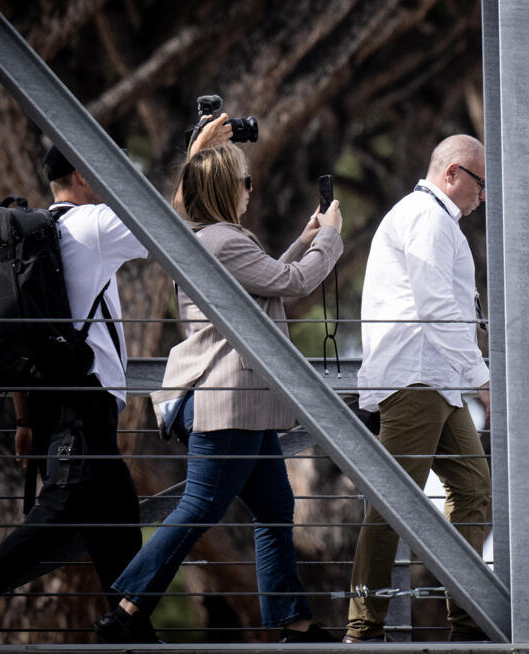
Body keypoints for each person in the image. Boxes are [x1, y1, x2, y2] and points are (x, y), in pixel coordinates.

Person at [93, 118, 343, 644]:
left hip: (237, 403)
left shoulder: (211, 240)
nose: (252, 189)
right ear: (229, 189)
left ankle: (293, 622)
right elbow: (292, 284)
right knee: (202, 506)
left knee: (276, 509)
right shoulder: (226, 243)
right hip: (229, 402)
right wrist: (333, 240)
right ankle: (126, 610)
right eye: (246, 182)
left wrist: (305, 239)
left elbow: (269, 280)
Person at [0, 146, 147, 645]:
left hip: (51, 400)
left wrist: (25, 418)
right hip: (83, 399)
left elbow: (18, 338)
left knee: (117, 516)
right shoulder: (91, 224)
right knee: (63, 503)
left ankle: (131, 629)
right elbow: (171, 220)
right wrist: (198, 153)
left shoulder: (36, 237)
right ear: (81, 174)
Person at [345, 134, 491, 643]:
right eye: (480, 183)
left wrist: (467, 375)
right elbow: (434, 306)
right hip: (416, 377)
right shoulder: (427, 218)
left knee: (472, 489)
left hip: (437, 380)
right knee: (395, 501)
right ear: (453, 174)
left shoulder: (432, 219)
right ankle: (364, 628)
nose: (484, 195)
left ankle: (468, 617)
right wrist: (483, 378)